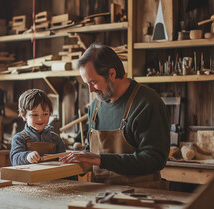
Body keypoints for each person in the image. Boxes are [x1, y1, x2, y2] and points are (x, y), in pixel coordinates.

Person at [60, 43, 170, 188]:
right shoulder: (95, 106)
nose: (91, 90)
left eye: (93, 82)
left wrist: (100, 160)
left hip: (141, 196)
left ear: (111, 74)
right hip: (100, 195)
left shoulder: (147, 102)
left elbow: (155, 159)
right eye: (87, 84)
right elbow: (91, 152)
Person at [10, 89, 66, 166]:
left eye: (45, 114)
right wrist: (27, 157)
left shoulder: (56, 139)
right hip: (29, 177)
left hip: (52, 176)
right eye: (35, 115)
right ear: (24, 115)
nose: (40, 119)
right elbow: (15, 159)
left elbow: (63, 160)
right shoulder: (19, 138)